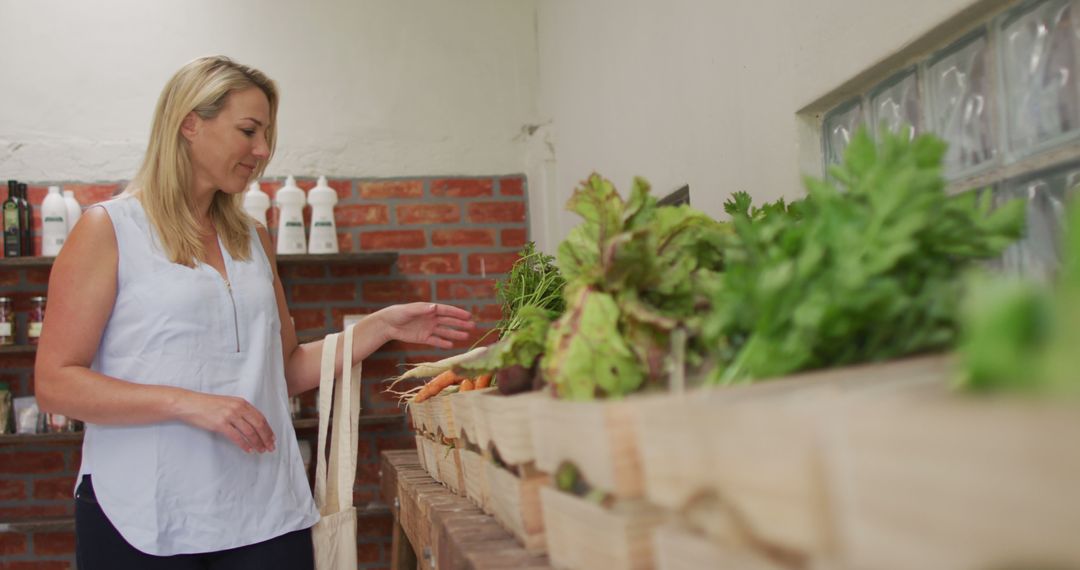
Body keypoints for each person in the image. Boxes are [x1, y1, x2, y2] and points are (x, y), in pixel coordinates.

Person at [33, 55, 475, 569]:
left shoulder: (253, 239)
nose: (262, 150)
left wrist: (381, 327)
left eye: (266, 134)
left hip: (265, 509)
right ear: (189, 123)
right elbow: (56, 383)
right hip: (145, 514)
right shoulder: (109, 229)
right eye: (248, 130)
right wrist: (190, 403)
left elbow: (282, 370)